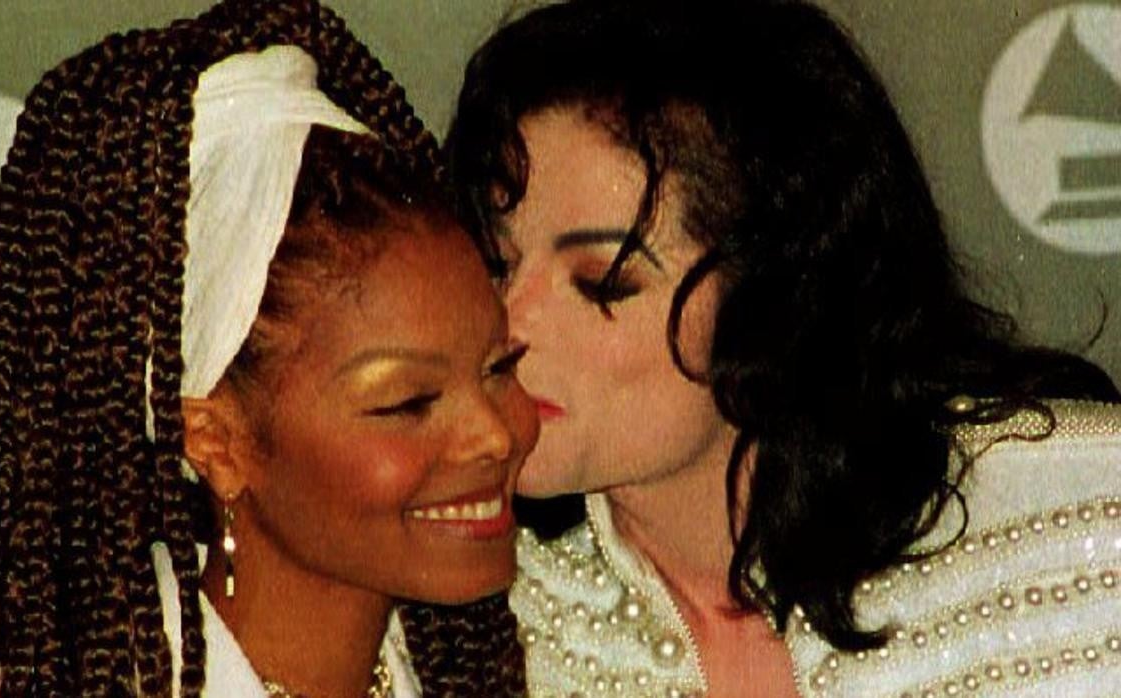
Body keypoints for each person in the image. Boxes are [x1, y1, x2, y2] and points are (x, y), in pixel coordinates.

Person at [445, 0, 1121, 695]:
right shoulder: (455, 623)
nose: (508, 322)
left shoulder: (1084, 522)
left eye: (602, 282)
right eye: (496, 264)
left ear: (774, 295)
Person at [0, 1, 536, 695]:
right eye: (409, 403)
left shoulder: (510, 667)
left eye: (499, 367)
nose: (496, 434)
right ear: (216, 442)